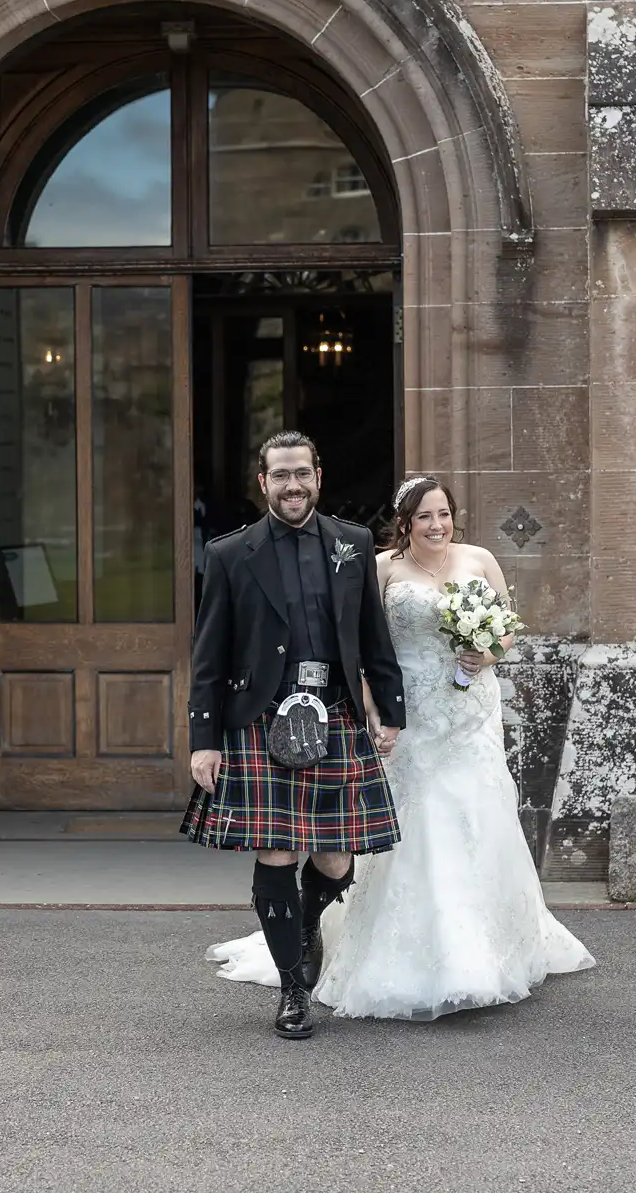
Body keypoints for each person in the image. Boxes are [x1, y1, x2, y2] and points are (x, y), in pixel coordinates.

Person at [206, 474, 595, 1021]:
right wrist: (371, 703)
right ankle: (361, 942)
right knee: (417, 823)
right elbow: (361, 639)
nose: (437, 525)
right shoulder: (383, 566)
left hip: (472, 711)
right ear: (405, 523)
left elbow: (507, 627)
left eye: (443, 514)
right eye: (423, 517)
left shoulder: (480, 559)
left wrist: (488, 652)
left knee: (478, 818)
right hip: (408, 711)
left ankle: (480, 950)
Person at [181, 431, 407, 1040]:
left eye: (301, 473)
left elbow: (372, 636)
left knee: (336, 859)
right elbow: (209, 655)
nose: (291, 485)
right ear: (263, 482)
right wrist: (204, 737)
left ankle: (304, 929)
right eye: (280, 475)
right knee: (277, 851)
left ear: (318, 476)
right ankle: (292, 987)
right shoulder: (231, 554)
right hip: (261, 719)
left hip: (334, 717)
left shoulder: (353, 545)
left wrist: (390, 711)